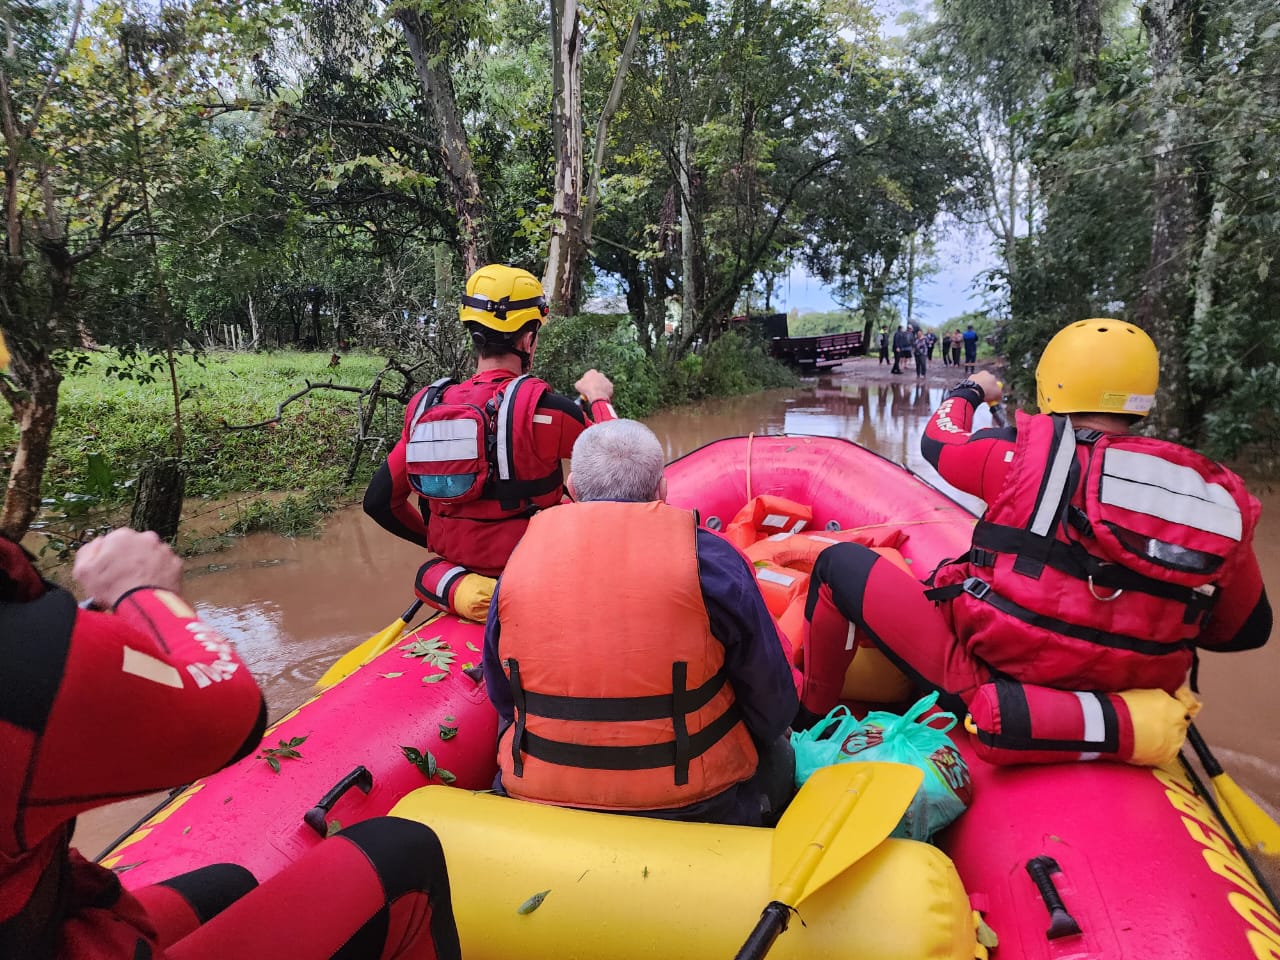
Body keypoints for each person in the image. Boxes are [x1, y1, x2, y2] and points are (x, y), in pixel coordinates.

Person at [0, 527, 462, 960]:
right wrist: (141, 592)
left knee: (232, 883)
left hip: (45, 925)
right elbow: (234, 716)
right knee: (404, 848)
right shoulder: (25, 666)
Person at [800, 320, 1271, 730]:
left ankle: (809, 717)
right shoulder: (1214, 496)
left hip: (993, 684)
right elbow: (1247, 632)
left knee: (837, 564)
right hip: (1133, 700)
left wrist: (971, 391)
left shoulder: (1019, 455)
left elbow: (938, 440)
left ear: (1055, 384)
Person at [482, 420, 798, 827]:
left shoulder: (518, 563)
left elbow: (502, 696)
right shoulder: (713, 561)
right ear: (662, 491)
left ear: (572, 488)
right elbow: (773, 707)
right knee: (780, 750)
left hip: (536, 794)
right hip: (695, 805)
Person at [363, 263, 617, 620]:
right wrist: (599, 397)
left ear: (475, 333)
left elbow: (378, 502)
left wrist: (443, 540)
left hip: (458, 575)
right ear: (528, 340)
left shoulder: (426, 410)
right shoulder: (550, 413)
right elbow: (623, 462)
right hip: (533, 576)